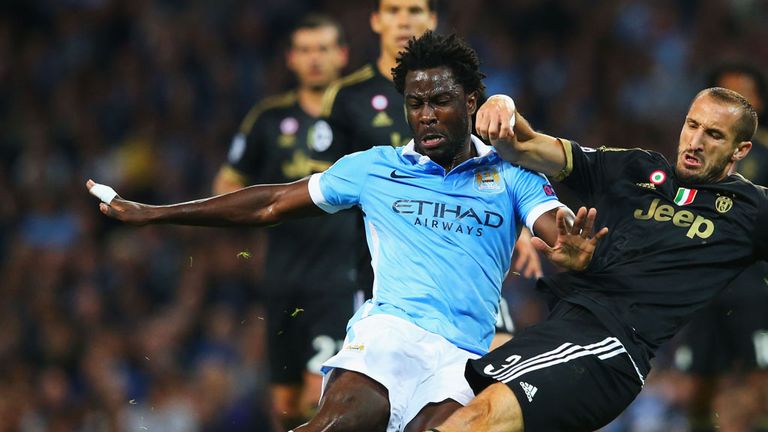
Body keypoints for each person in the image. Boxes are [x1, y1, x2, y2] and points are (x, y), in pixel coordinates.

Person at [86, 32, 604, 432]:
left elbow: (552, 226)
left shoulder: (512, 174)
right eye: (414, 104)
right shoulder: (374, 168)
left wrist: (569, 242)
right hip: (389, 335)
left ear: (471, 101)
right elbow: (269, 203)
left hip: (465, 356)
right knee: (339, 422)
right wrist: (158, 212)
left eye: (440, 102)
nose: (425, 116)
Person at [430, 86, 763, 432]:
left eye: (713, 135)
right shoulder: (636, 167)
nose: (695, 141)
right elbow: (524, 145)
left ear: (740, 149)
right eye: (692, 125)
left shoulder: (751, 210)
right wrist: (504, 105)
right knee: (444, 414)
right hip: (562, 327)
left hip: (609, 348)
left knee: (478, 419)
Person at [322, 0, 537, 345]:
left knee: (493, 374)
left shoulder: (459, 90)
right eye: (394, 10)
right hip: (384, 267)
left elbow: (497, 170)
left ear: (433, 19)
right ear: (376, 20)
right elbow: (333, 184)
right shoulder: (347, 98)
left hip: (464, 262)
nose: (404, 20)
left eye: (415, 10)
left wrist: (520, 224)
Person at [210, 15, 358, 429]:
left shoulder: (357, 116)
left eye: (324, 49)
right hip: (280, 278)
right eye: (306, 50)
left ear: (341, 55)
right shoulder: (268, 118)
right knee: (285, 407)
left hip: (339, 279)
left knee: (320, 396)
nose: (315, 59)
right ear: (291, 59)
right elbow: (227, 181)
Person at [672, 62, 768, 431]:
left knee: (762, 379)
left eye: (746, 94)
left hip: (754, 285)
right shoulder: (691, 155)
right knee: (697, 385)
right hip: (704, 285)